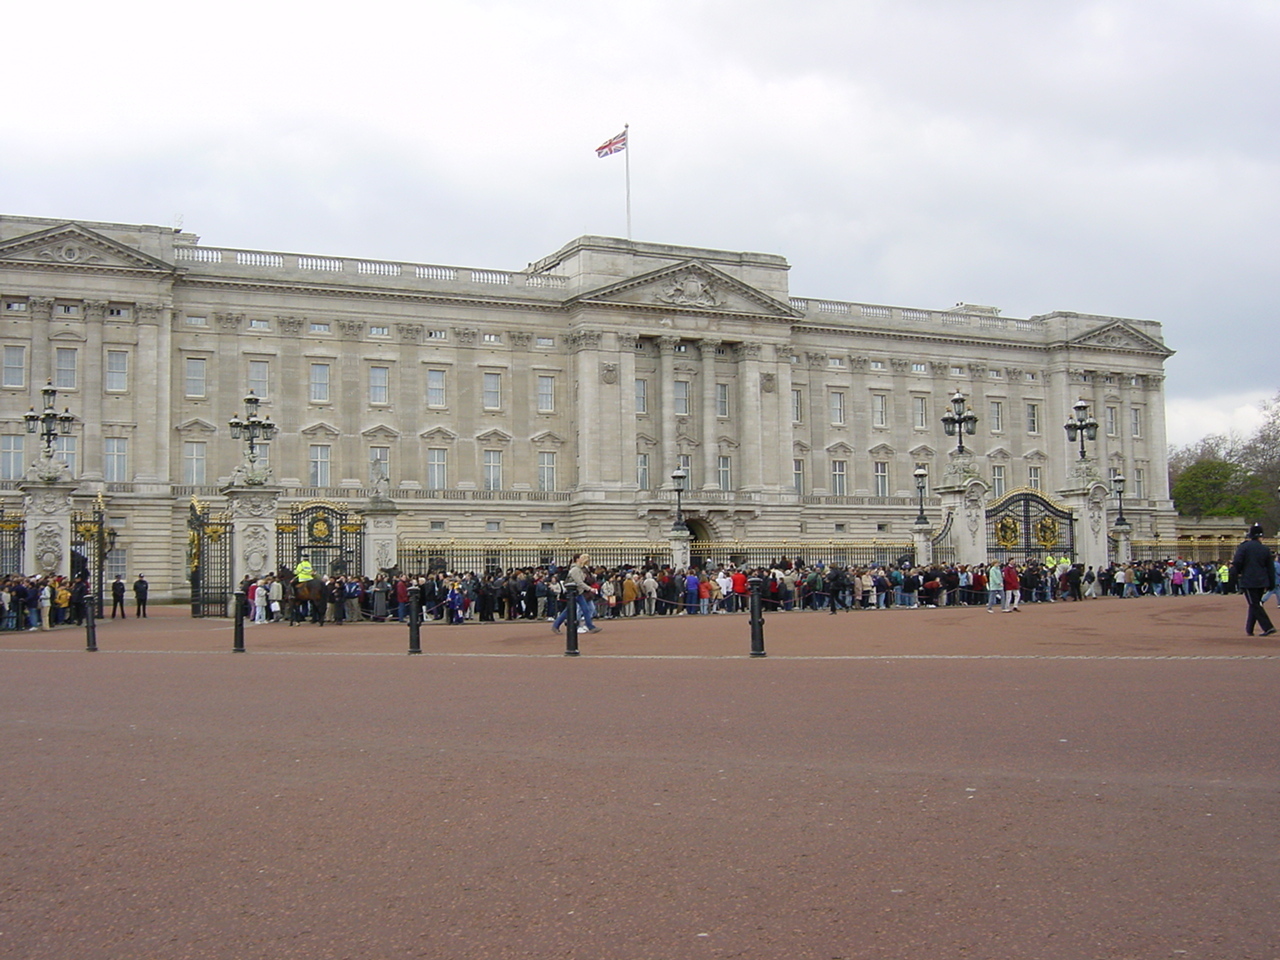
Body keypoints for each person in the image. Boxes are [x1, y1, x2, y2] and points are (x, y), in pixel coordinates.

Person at [1230, 523, 1276, 637]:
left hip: (1249, 580)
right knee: (1254, 604)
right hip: (1262, 580)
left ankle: (1268, 627)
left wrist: (1235, 576)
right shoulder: (1264, 549)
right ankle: (1249, 628)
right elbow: (1270, 568)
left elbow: (1238, 562)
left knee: (1254, 604)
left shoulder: (1244, 547)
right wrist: (1271, 582)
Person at [552, 552, 602, 634]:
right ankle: (590, 626)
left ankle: (556, 626)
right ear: (578, 560)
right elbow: (579, 582)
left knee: (575, 610)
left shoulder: (579, 569)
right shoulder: (575, 569)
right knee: (582, 610)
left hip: (578, 592)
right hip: (574, 592)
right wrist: (590, 589)